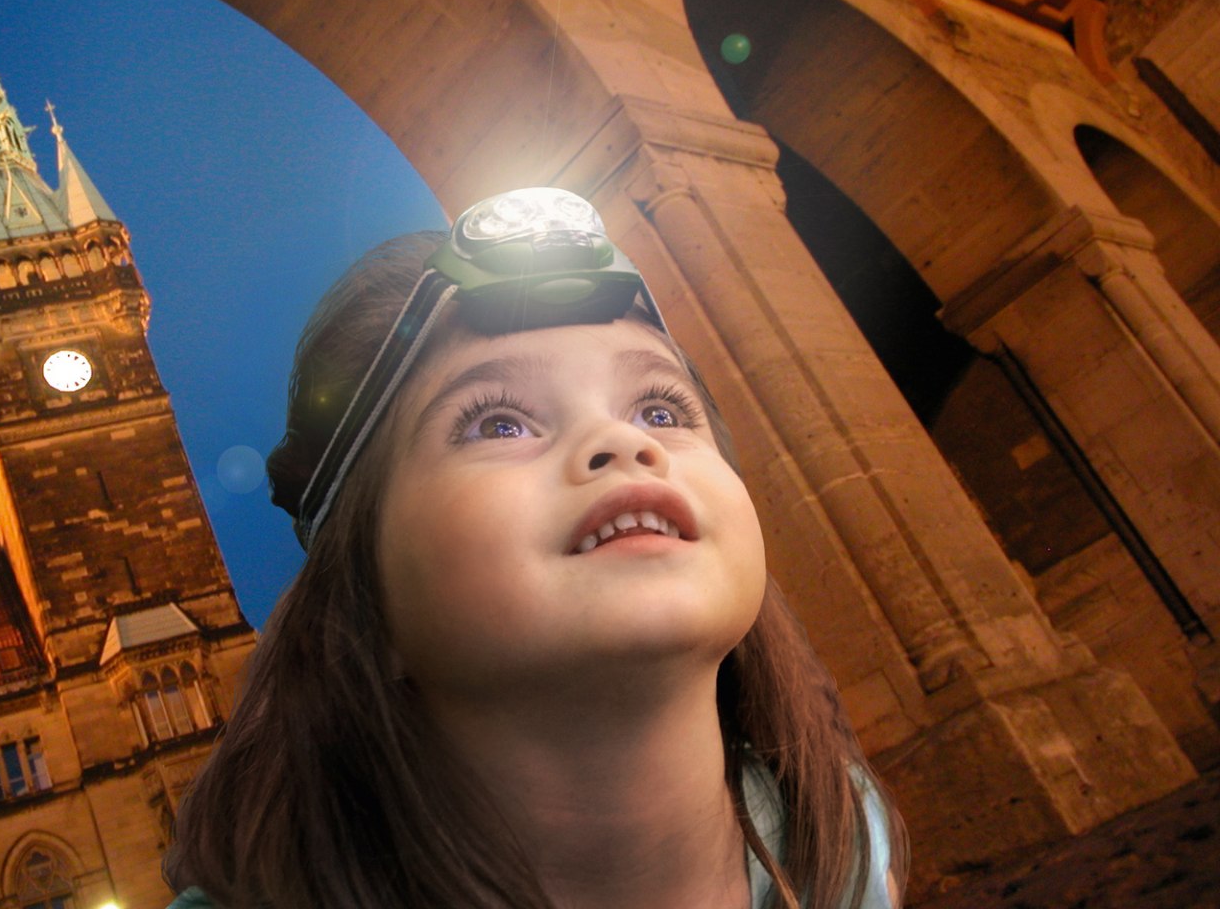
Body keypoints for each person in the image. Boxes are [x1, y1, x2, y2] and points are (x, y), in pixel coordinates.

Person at [162, 188, 906, 909]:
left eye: (660, 407)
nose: (622, 441)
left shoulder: (842, 840)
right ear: (363, 600)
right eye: (498, 424)